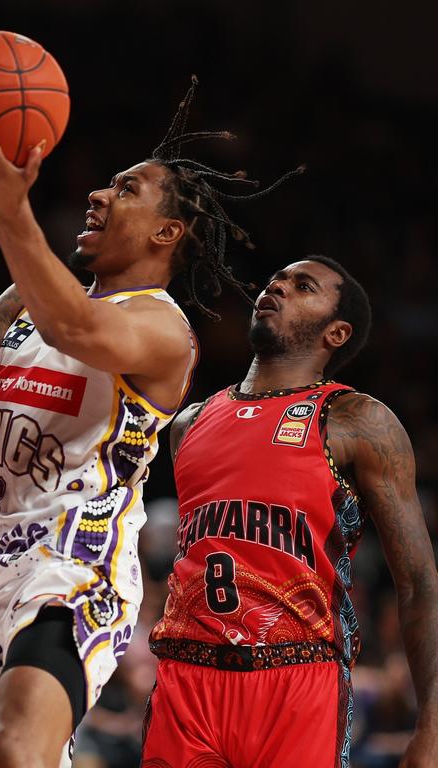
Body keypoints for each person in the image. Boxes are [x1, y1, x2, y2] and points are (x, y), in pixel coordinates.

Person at [0, 77, 299, 767]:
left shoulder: (161, 329)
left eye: (125, 190)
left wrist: (9, 210)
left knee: (14, 749)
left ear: (166, 232)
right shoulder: (19, 306)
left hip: (78, 562)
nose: (97, 194)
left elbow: (76, 325)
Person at [142, 257, 438, 767]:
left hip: (298, 678)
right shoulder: (190, 422)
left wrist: (431, 730)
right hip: (185, 678)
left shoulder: (356, 419)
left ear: (337, 332)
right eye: (278, 279)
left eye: (304, 287)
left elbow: (418, 584)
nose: (278, 286)